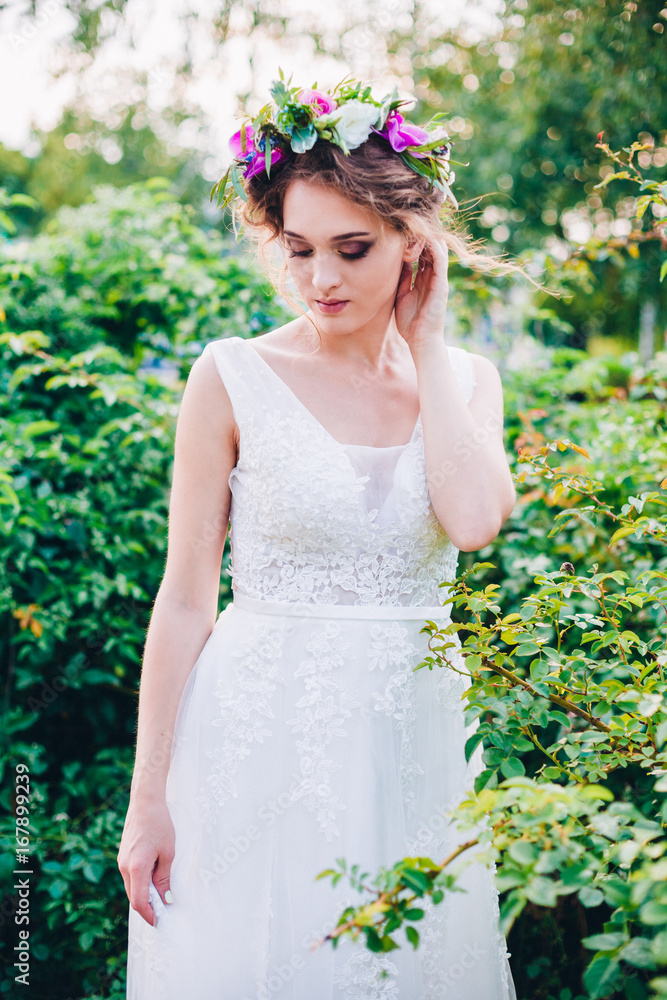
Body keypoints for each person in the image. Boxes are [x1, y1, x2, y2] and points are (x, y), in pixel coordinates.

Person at [118, 75, 525, 999]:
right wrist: (148, 801)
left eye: (352, 248)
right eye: (298, 250)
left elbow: (472, 522)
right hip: (251, 735)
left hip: (412, 739)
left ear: (412, 242)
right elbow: (184, 600)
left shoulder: (467, 381)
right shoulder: (230, 376)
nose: (321, 281)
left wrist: (426, 347)